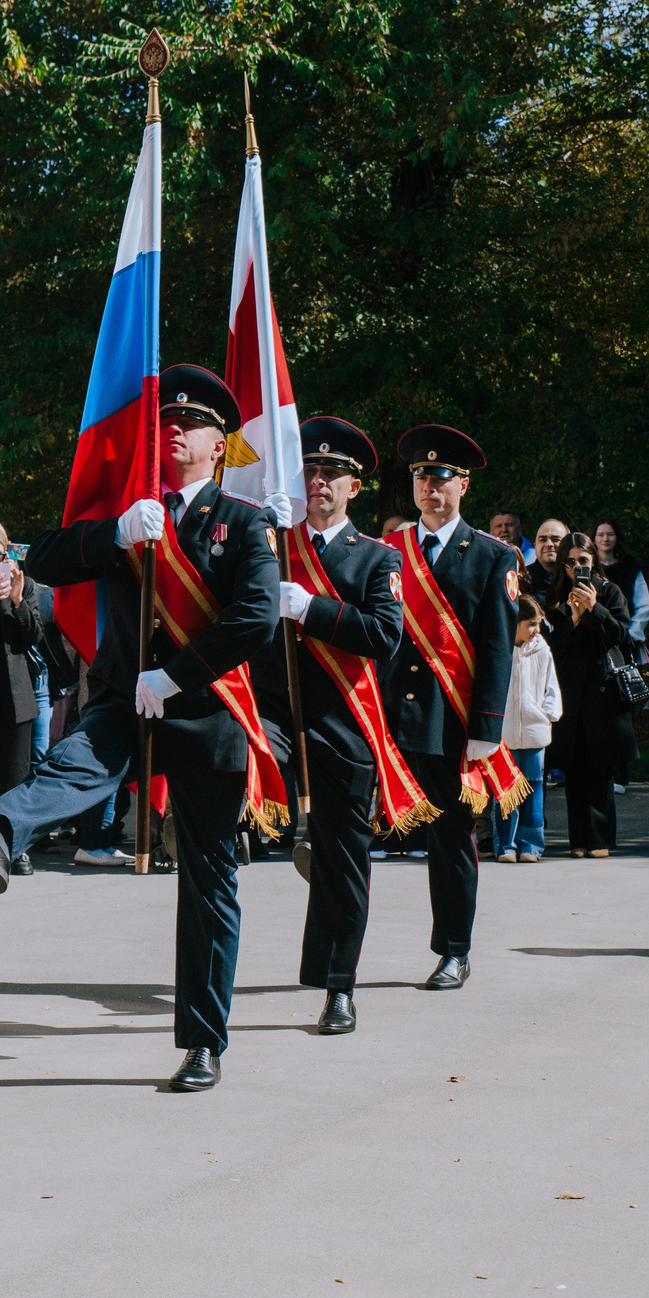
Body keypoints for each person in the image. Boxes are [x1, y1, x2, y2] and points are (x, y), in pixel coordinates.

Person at [0, 364, 284, 1091]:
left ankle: (204, 1041)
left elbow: (255, 617)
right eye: (166, 419)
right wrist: (114, 532)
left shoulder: (243, 521)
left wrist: (174, 675)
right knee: (72, 766)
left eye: (192, 423)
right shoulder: (131, 510)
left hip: (204, 710)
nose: (175, 429)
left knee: (208, 880)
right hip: (121, 699)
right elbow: (37, 559)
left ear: (219, 445)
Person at [253, 415, 414, 1036]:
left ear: (354, 489)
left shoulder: (376, 558)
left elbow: (384, 635)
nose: (318, 481)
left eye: (333, 474)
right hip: (271, 717)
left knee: (344, 863)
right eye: (311, 470)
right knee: (222, 786)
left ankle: (338, 986)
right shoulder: (272, 544)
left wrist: (312, 608)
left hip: (341, 726)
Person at [383, 425, 521, 987]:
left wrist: (487, 725)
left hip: (449, 719)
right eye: (420, 476)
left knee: (449, 838)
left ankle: (454, 948)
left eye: (439, 477)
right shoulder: (386, 551)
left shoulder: (493, 556)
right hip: (387, 713)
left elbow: (496, 646)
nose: (428, 487)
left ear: (462, 485)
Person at [546, 533, 636, 856]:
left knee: (599, 767)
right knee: (574, 765)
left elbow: (620, 635)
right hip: (570, 690)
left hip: (602, 688)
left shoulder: (610, 591)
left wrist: (594, 608)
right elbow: (550, 646)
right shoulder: (556, 595)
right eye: (570, 562)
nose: (577, 568)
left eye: (583, 561)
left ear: (593, 561)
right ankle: (579, 840)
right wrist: (571, 617)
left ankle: (600, 839)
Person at [0, 515, 56, 872]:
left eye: (0, 555)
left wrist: (15, 601)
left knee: (16, 775)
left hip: (15, 695)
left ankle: (16, 846)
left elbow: (33, 637)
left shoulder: (25, 586)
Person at [491, 596, 558, 865]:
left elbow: (551, 686)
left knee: (533, 789)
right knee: (506, 791)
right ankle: (505, 844)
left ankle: (531, 845)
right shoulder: (500, 649)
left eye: (538, 624)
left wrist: (547, 714)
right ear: (514, 623)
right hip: (504, 735)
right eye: (531, 624)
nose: (536, 630)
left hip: (534, 732)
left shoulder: (542, 650)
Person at [593, 519, 649, 641]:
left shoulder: (631, 568)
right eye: (601, 535)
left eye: (610, 534)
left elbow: (643, 606)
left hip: (626, 639)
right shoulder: (588, 569)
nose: (605, 539)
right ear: (594, 539)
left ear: (617, 537)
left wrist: (631, 635)